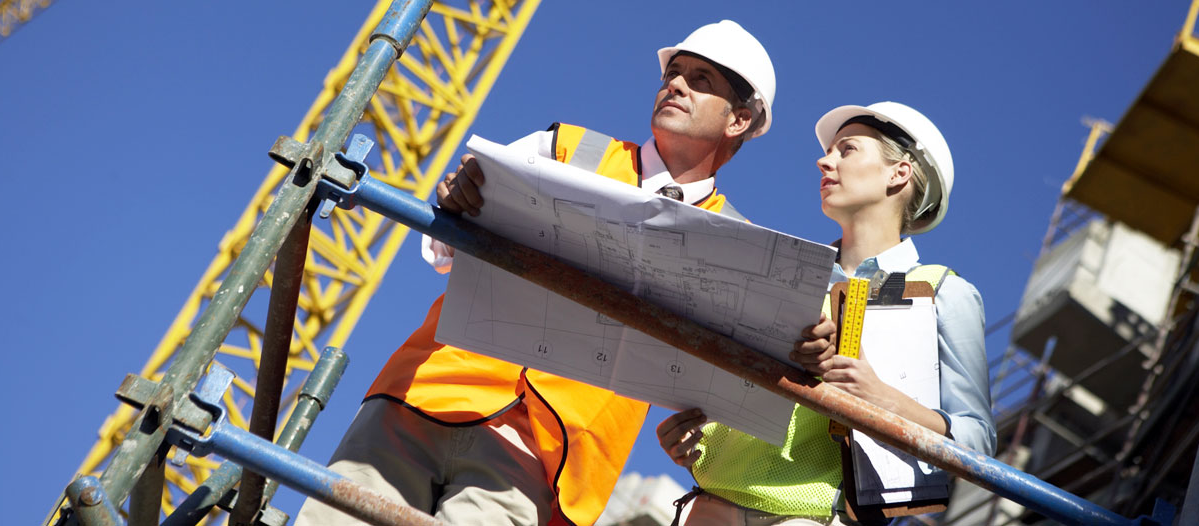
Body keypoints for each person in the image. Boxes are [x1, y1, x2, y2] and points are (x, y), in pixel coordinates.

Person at [293, 20, 777, 526]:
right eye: (672, 73)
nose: (674, 84)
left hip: (543, 461)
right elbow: (440, 250)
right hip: (427, 396)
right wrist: (458, 205)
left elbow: (722, 389)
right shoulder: (567, 148)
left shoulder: (735, 244)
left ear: (738, 121)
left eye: (700, 80)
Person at [657, 102, 996, 526]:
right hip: (707, 510)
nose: (824, 160)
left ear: (899, 173)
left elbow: (977, 444)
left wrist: (878, 397)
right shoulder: (784, 273)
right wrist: (695, 438)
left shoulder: (943, 292)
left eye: (846, 149)